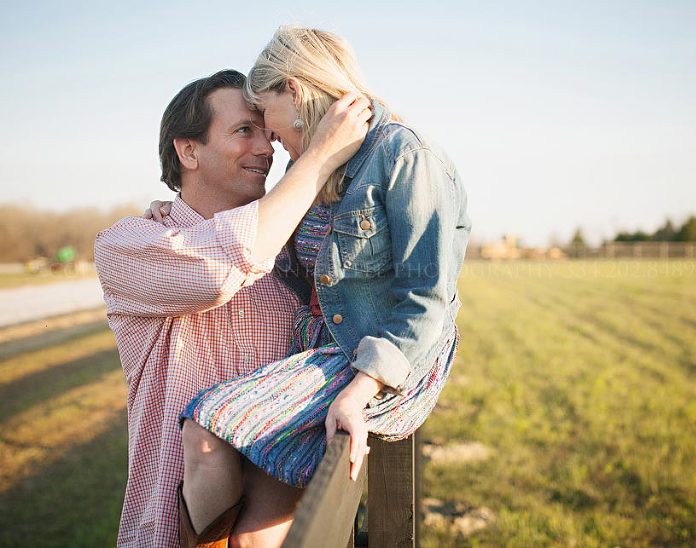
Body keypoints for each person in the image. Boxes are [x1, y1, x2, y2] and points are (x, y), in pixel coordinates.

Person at [172, 26, 471, 547]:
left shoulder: (405, 155)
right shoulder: (311, 162)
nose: (268, 138)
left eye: (264, 116)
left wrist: (363, 388)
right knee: (253, 540)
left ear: (294, 90)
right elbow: (264, 241)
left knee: (206, 425)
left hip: (375, 364)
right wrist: (179, 215)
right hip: (316, 355)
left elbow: (428, 299)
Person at [94, 68, 372, 548]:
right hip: (169, 527)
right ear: (188, 151)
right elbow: (216, 272)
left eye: (268, 132)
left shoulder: (295, 257)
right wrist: (321, 156)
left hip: (293, 527)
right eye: (244, 131)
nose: (267, 149)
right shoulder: (129, 243)